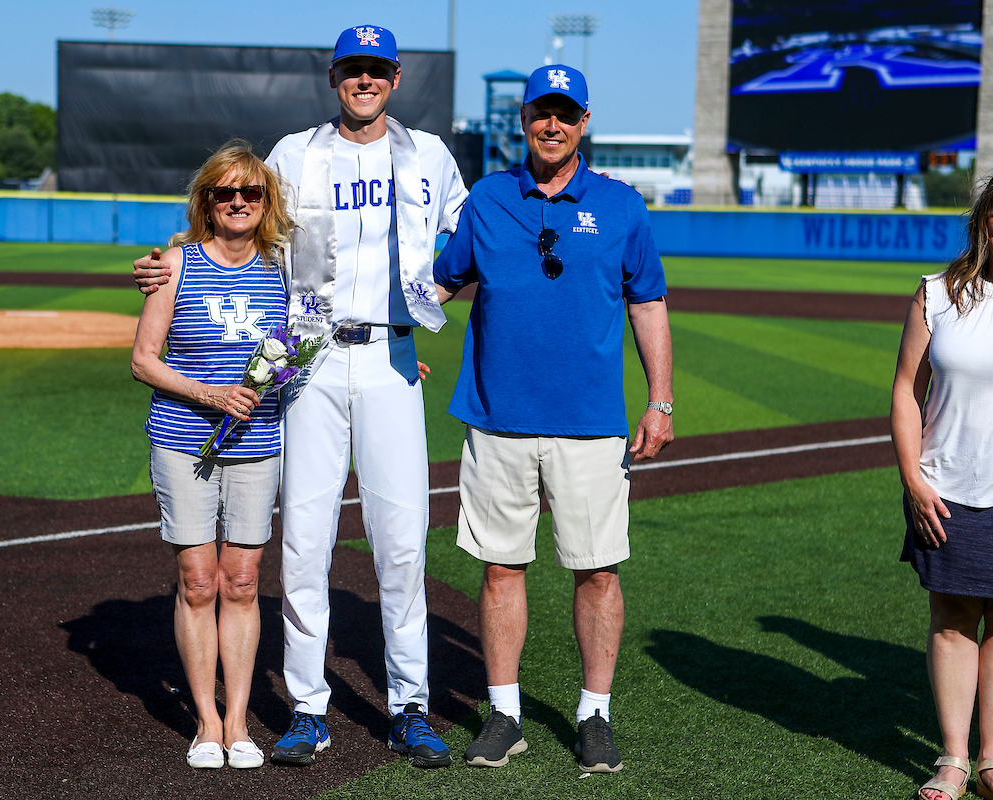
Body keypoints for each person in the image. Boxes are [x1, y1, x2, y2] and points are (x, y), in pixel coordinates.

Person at [134, 25, 468, 768]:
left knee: (403, 544)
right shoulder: (294, 153)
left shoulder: (430, 156)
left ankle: (409, 706)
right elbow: (239, 225)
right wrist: (170, 263)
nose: (365, 81)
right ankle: (310, 708)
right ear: (333, 76)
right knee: (305, 542)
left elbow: (468, 242)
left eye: (376, 70)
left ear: (395, 77)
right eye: (353, 69)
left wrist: (424, 310)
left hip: (390, 358)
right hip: (309, 364)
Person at [432, 64, 674, 772]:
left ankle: (594, 715)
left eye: (566, 114)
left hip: (591, 423)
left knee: (597, 572)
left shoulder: (622, 206)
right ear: (525, 118)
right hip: (498, 417)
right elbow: (440, 284)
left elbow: (649, 303)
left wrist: (659, 399)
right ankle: (504, 713)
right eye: (542, 111)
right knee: (502, 568)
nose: (552, 124)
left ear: (584, 123)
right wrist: (383, 332)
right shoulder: (487, 199)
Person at [130, 141, 294, 770]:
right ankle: (205, 723)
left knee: (244, 581)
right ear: (206, 200)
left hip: (258, 444)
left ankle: (238, 722)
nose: (237, 202)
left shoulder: (283, 268)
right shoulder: (174, 265)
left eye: (249, 192)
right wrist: (209, 394)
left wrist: (388, 365)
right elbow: (144, 360)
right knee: (198, 581)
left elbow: (315, 339)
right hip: (180, 439)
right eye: (224, 192)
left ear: (265, 201)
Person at [892, 177, 993, 800]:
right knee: (954, 618)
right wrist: (912, 478)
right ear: (984, 223)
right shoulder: (939, 293)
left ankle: (992, 758)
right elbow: (906, 388)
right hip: (947, 487)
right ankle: (954, 759)